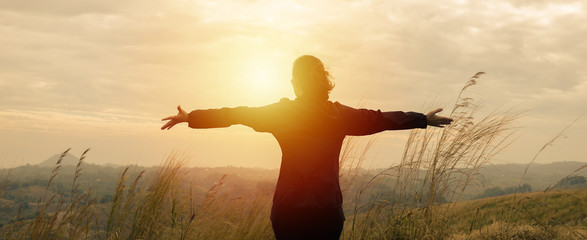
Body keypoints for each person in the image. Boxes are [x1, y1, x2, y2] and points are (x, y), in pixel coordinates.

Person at [161, 55, 453, 240]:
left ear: (297, 84)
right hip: (326, 212)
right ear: (324, 83)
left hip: (288, 211)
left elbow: (236, 113)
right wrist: (421, 119)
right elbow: (379, 119)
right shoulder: (339, 115)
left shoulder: (282, 113)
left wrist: (192, 118)